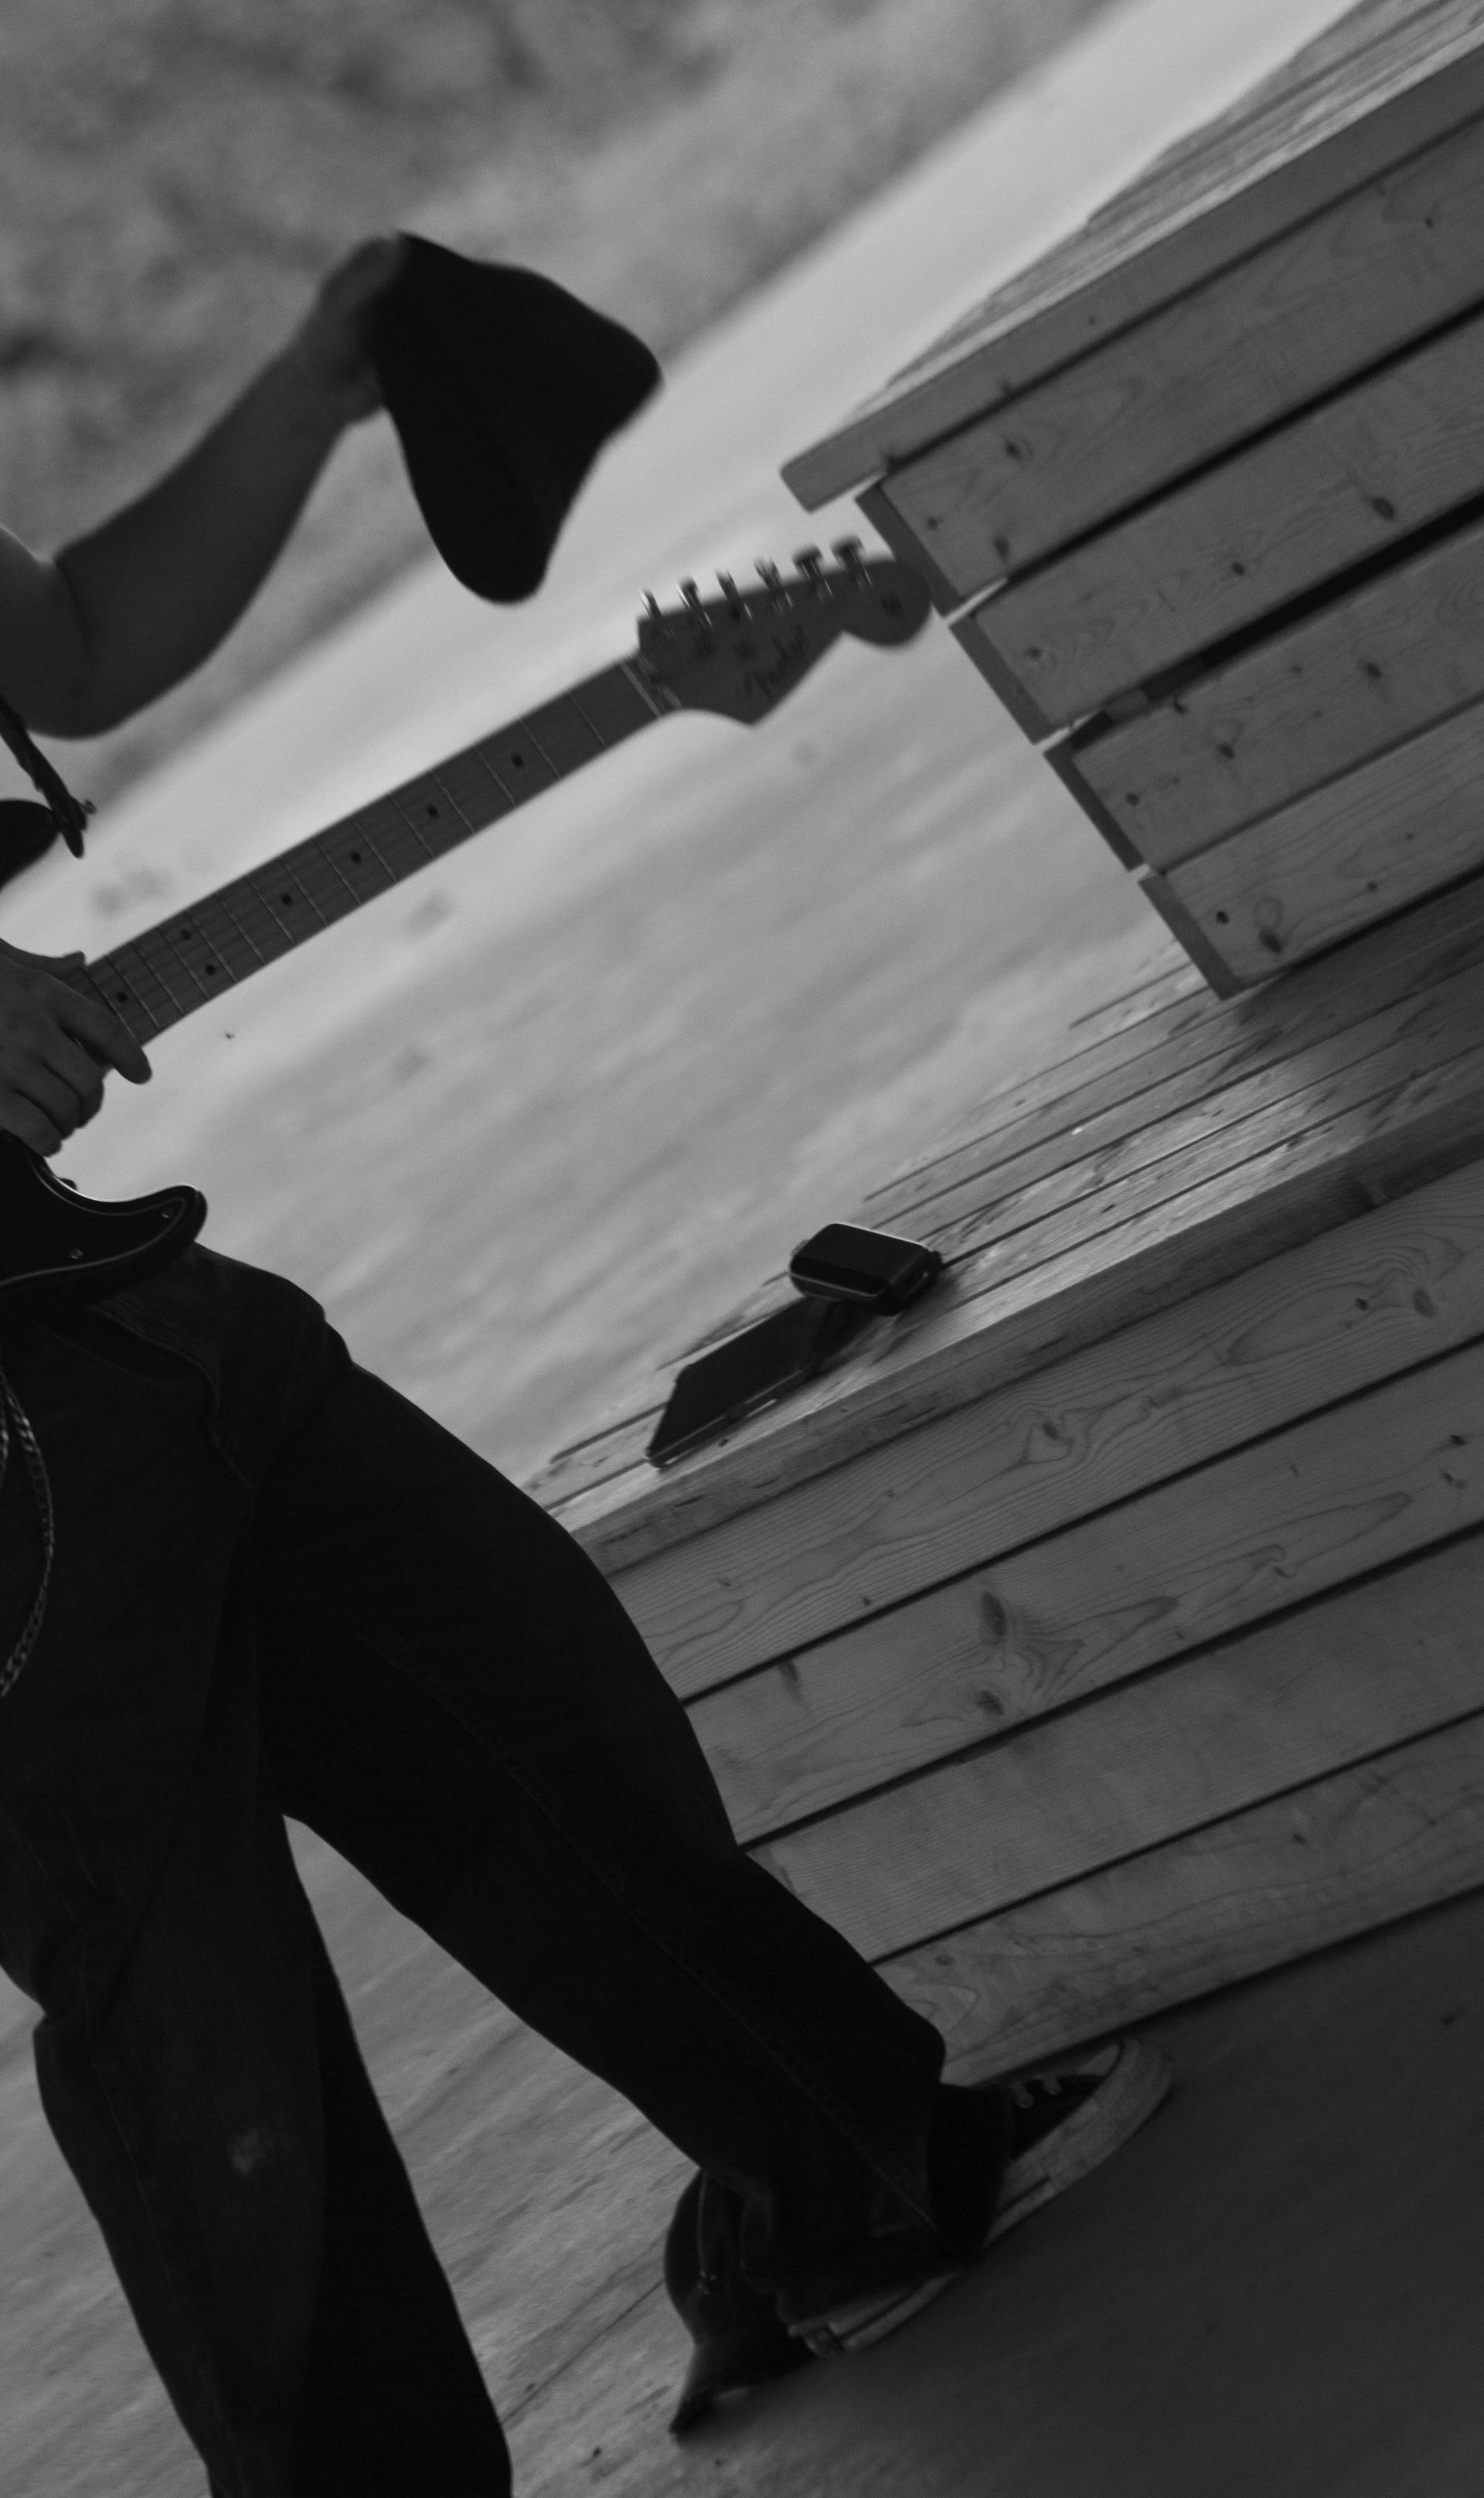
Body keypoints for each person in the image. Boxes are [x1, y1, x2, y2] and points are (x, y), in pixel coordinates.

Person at [0, 237, 1169, 2496]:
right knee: (200, 2023)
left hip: (94, 1309)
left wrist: (320, 384)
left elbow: (68, 639)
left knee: (509, 1692)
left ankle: (841, 2184)